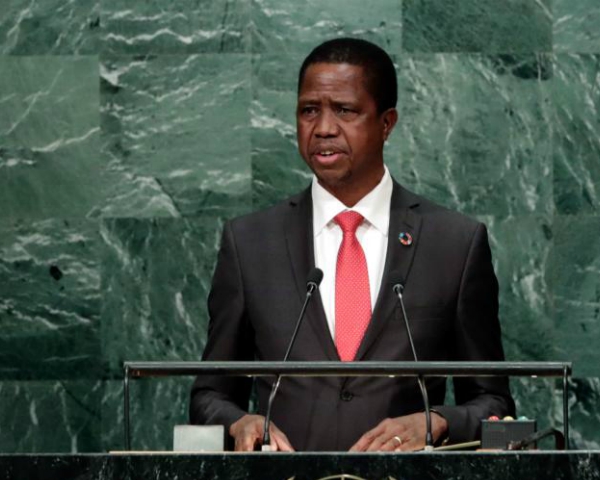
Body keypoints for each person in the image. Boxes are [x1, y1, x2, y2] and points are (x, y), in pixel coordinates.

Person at [190, 37, 515, 452]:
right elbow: (208, 397)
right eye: (309, 110)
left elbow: (494, 401)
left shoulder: (454, 243)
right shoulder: (250, 243)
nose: (323, 128)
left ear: (386, 123)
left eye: (344, 110)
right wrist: (241, 423)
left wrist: (435, 421)